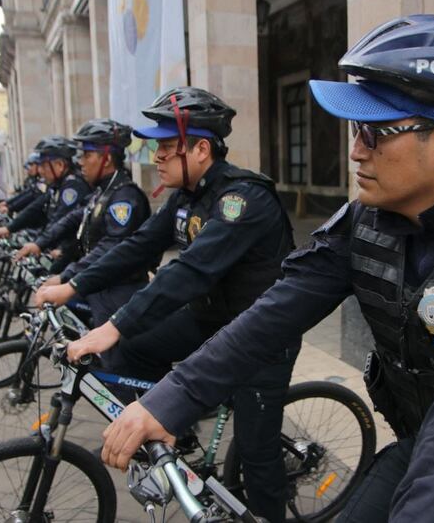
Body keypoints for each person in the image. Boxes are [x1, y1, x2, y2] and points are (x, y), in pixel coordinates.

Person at [94, 15, 434, 522]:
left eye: (374, 133)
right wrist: (169, 401)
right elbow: (273, 313)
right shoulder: (369, 219)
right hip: (428, 448)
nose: (354, 151)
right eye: (355, 128)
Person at [35, 87, 297, 522]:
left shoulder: (242, 199)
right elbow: (138, 247)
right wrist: (73, 284)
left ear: (200, 149)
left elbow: (190, 271)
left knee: (257, 457)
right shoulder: (185, 196)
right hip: (210, 319)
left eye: (165, 146)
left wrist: (113, 323)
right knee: (132, 350)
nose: (155, 156)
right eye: (155, 146)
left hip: (260, 337)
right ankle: (177, 429)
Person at [17, 118, 154, 328]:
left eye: (87, 155)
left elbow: (110, 247)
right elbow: (72, 219)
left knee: (108, 356)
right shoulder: (104, 191)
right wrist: (40, 244)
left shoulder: (124, 196)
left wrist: (67, 276)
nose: (80, 161)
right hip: (100, 282)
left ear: (106, 158)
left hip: (118, 291)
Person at [0, 136, 91, 272]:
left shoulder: (72, 186)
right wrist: (10, 227)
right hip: (62, 244)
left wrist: (43, 243)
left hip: (76, 250)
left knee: (51, 277)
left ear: (60, 165)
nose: (40, 171)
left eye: (43, 165)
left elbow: (62, 219)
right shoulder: (57, 185)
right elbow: (36, 206)